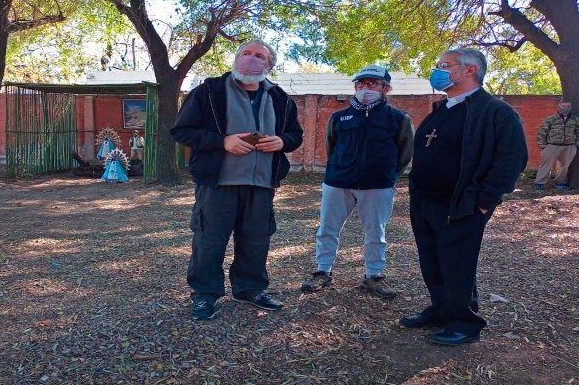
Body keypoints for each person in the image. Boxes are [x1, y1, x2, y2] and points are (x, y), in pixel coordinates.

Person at [401, 48, 528, 346]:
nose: (438, 71)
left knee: (457, 262)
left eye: (444, 65)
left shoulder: (496, 111)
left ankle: (465, 322)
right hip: (426, 201)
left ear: (469, 70)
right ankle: (442, 309)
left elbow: (512, 159)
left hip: (464, 204)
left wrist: (485, 200)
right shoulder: (441, 110)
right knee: (431, 260)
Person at [170, 40, 303, 321]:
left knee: (256, 241)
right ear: (236, 58)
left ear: (269, 65)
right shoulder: (209, 92)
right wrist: (223, 142)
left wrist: (282, 141)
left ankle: (250, 289)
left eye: (259, 56)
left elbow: (295, 135)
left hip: (262, 183)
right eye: (246, 53)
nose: (251, 59)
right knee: (209, 240)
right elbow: (182, 131)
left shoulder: (281, 98)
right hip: (218, 183)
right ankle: (205, 294)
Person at [301, 65, 414, 299]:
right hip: (337, 182)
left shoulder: (398, 118)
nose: (365, 88)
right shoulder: (338, 117)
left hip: (378, 185)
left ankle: (374, 275)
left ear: (386, 88)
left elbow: (405, 152)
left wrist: (388, 175)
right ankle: (322, 271)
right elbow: (331, 147)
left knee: (376, 232)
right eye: (360, 84)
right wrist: (339, 169)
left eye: (372, 83)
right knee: (327, 229)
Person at [533, 101, 579, 191]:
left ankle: (559, 183)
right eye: (563, 105)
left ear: (571, 107)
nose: (566, 107)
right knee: (546, 164)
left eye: (568, 106)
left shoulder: (575, 119)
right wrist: (543, 146)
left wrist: (577, 145)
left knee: (564, 166)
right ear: (559, 106)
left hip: (569, 146)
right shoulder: (551, 119)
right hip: (552, 146)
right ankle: (539, 183)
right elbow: (542, 132)